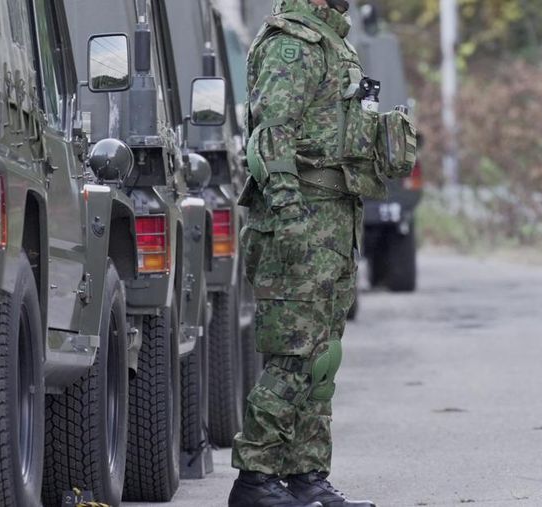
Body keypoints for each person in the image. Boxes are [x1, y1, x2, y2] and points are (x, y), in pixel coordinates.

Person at [228, 0, 389, 505]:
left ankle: (306, 479)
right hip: (302, 219)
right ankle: (255, 479)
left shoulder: (332, 39)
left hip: (336, 215)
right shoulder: (293, 42)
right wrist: (290, 216)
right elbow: (271, 132)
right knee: (293, 358)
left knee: (321, 360)